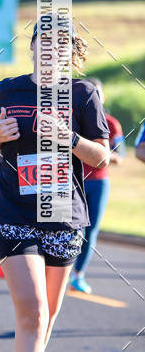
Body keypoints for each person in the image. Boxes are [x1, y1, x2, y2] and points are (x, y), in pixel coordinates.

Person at [0, 21, 109, 352]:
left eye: (59, 46)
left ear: (70, 53)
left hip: (63, 217)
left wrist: (70, 139)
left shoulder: (82, 94)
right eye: (42, 43)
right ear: (32, 46)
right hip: (14, 212)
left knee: (47, 320)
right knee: (33, 313)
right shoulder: (7, 89)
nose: (49, 51)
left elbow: (101, 154)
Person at [71, 79, 124, 293]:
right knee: (71, 229)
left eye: (98, 94)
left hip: (99, 182)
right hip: (73, 180)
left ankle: (78, 275)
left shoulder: (112, 123)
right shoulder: (73, 118)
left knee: (90, 230)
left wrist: (100, 154)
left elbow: (120, 156)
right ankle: (59, 269)